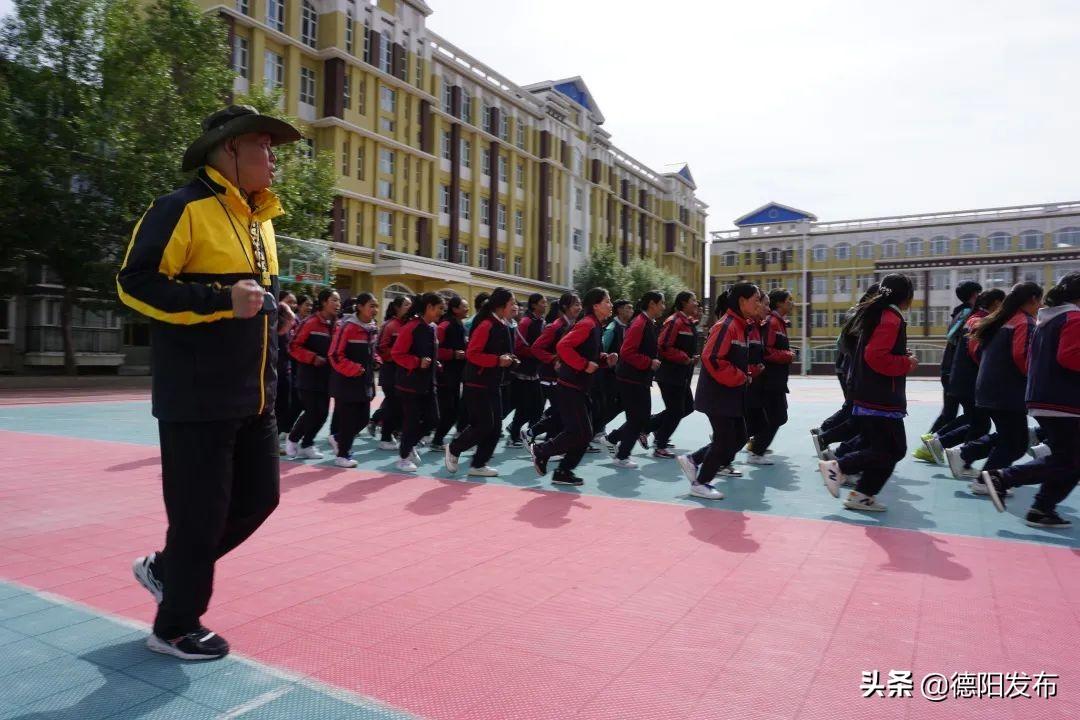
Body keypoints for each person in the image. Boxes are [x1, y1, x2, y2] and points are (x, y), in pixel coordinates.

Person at [118, 104, 302, 659]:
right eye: (263, 147)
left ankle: (167, 570)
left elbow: (248, 299)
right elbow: (135, 285)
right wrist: (222, 301)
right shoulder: (181, 208)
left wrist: (274, 309)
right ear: (229, 149)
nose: (272, 158)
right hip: (198, 398)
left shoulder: (259, 221)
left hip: (257, 396)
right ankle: (175, 625)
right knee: (198, 518)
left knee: (260, 499)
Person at [980, 273, 1080, 527]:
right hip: (1064, 399)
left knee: (1070, 460)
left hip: (1046, 397)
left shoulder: (1049, 318)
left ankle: (1042, 508)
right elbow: (1070, 357)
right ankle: (1003, 477)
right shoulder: (1073, 318)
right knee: (1067, 459)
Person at [818, 274, 918, 512]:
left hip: (871, 392)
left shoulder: (877, 314)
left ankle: (862, 494)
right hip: (879, 396)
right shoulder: (890, 318)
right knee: (892, 449)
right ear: (907, 296)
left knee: (887, 449)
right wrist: (905, 363)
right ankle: (839, 468)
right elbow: (875, 356)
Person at [948, 282, 1042, 488]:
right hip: (1008, 390)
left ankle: (966, 455)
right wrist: (1036, 377)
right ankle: (984, 479)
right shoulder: (1024, 322)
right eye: (1039, 301)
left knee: (1010, 437)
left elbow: (977, 351)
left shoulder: (998, 320)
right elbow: (1022, 356)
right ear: (1034, 299)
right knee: (1014, 442)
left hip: (989, 387)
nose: (1040, 306)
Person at [676, 284, 763, 500]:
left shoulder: (742, 325)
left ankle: (694, 460)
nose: (760, 305)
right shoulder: (726, 325)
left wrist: (745, 374)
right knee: (724, 440)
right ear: (742, 301)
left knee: (740, 436)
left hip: (731, 393)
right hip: (718, 394)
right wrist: (740, 377)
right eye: (757, 299)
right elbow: (712, 358)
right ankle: (701, 482)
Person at [529, 288, 617, 486]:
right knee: (579, 432)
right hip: (570, 386)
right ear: (596, 305)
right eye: (607, 301)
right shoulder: (587, 324)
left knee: (584, 433)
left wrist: (604, 359)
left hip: (580, 387)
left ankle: (563, 470)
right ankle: (542, 452)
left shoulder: (595, 325)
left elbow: (589, 354)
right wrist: (584, 365)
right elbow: (563, 346)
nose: (611, 305)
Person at [923, 289, 1005, 467]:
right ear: (996, 303)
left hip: (961, 378)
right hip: (970, 380)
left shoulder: (971, 318)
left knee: (975, 421)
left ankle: (940, 443)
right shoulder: (981, 321)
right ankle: (955, 454)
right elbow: (977, 353)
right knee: (979, 423)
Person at [446, 288, 518, 477]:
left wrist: (509, 359)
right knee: (485, 424)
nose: (515, 307)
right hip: (477, 383)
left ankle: (478, 464)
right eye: (512, 303)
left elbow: (497, 351)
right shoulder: (486, 324)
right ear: (501, 306)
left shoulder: (502, 324)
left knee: (495, 427)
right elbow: (473, 354)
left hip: (492, 382)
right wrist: (497, 360)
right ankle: (454, 448)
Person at [605, 291, 665, 468]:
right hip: (631, 379)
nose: (663, 307)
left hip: (638, 379)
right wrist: (649, 362)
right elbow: (627, 352)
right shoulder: (640, 323)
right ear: (652, 304)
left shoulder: (647, 323)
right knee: (638, 418)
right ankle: (622, 455)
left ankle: (614, 441)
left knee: (639, 418)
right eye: (661, 303)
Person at [391, 293, 445, 472]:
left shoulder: (432, 327)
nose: (441, 312)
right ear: (429, 307)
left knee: (433, 419)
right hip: (409, 384)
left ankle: (410, 444)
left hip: (428, 383)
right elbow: (397, 354)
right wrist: (416, 362)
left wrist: (434, 363)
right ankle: (403, 457)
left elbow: (428, 351)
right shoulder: (411, 327)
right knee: (411, 421)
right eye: (439, 308)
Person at [286, 288, 340, 459]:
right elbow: (293, 347)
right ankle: (293, 439)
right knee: (312, 411)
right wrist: (312, 357)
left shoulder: (337, 325)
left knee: (323, 414)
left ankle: (307, 444)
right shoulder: (310, 323)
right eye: (334, 300)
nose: (338, 304)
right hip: (308, 377)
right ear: (324, 302)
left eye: (339, 301)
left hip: (327, 378)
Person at [327, 293, 379, 467]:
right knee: (349, 420)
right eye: (371, 306)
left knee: (363, 419)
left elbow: (373, 351)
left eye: (376, 306)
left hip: (364, 381)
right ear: (360, 307)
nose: (375, 310)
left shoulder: (372, 327)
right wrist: (353, 369)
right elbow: (334, 354)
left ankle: (338, 438)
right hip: (346, 382)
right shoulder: (347, 327)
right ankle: (342, 455)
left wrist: (376, 360)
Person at [748, 289, 797, 463]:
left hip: (776, 378)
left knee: (773, 416)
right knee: (777, 416)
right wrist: (788, 355)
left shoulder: (779, 322)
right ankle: (755, 450)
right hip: (769, 379)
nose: (792, 303)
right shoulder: (772, 322)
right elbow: (767, 352)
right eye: (789, 300)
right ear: (780, 303)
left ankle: (752, 443)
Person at [649, 291, 701, 457]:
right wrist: (685, 358)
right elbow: (663, 346)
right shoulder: (674, 321)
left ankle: (650, 428)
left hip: (682, 374)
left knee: (687, 407)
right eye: (693, 300)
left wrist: (692, 358)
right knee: (676, 410)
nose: (696, 303)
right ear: (684, 303)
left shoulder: (688, 322)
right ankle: (660, 444)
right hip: (670, 374)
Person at [928, 281, 982, 434]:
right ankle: (934, 442)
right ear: (975, 294)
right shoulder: (968, 313)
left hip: (950, 369)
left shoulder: (959, 312)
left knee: (950, 413)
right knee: (973, 415)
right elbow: (952, 337)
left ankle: (929, 444)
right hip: (955, 370)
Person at [526, 293, 581, 442]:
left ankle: (537, 435)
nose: (579, 307)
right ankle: (541, 437)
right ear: (565, 307)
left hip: (565, 377)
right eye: (575, 304)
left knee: (562, 411)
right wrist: (553, 359)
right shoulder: (555, 326)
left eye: (579, 304)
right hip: (550, 377)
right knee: (561, 410)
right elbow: (536, 348)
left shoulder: (576, 325)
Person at [507, 293, 548, 446]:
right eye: (543, 302)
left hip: (535, 372)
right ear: (534, 305)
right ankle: (513, 435)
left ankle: (528, 434)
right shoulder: (526, 322)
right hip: (521, 372)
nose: (545, 304)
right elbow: (518, 347)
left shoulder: (542, 322)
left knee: (537, 406)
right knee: (522, 406)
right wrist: (537, 352)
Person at [431, 296, 468, 451]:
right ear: (455, 309)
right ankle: (436, 440)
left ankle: (439, 439)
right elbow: (435, 350)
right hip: (445, 374)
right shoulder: (444, 325)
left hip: (457, 374)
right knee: (449, 410)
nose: (467, 309)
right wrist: (453, 354)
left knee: (455, 409)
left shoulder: (461, 325)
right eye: (464, 306)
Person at [374, 296, 411, 451]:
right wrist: (398, 355)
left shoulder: (409, 325)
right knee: (393, 405)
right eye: (406, 305)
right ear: (396, 307)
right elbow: (381, 348)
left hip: (403, 371)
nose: (409, 308)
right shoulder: (390, 325)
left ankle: (392, 432)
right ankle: (385, 437)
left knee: (400, 405)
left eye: (411, 305)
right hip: (390, 370)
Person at [594, 299, 633, 441]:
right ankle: (596, 429)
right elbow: (602, 347)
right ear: (620, 310)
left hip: (620, 373)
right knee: (608, 403)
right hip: (608, 374)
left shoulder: (627, 326)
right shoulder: (612, 327)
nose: (631, 311)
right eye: (628, 308)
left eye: (631, 308)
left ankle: (598, 427)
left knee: (619, 403)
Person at [274, 302, 297, 449]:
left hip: (284, 373)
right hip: (273, 376)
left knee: (284, 406)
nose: (292, 325)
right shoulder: (269, 334)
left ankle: (279, 435)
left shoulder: (286, 333)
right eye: (290, 322)